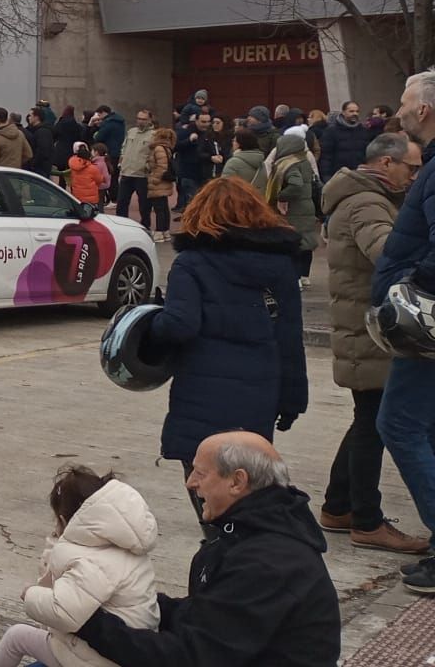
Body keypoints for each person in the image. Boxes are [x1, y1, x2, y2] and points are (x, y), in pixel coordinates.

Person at [74, 433, 339, 667]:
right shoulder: (246, 533)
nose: (190, 483)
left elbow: (192, 657)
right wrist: (127, 597)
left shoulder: (266, 563)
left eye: (200, 473)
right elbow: (207, 614)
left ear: (237, 482)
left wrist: (87, 622)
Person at [147, 176, 305, 527]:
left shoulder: (192, 263)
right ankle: (249, 551)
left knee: (205, 487)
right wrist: (293, 399)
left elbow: (179, 325)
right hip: (259, 394)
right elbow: (290, 336)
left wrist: (150, 324)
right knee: (247, 484)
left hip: (203, 394)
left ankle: (219, 553)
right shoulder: (280, 267)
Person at [317, 132, 429, 553]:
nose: (415, 177)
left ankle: (338, 506)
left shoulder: (367, 197)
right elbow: (387, 252)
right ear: (386, 164)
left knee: (366, 421)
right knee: (373, 427)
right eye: (410, 168)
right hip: (372, 333)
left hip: (364, 330)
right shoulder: (367, 202)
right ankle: (367, 520)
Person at [0, 466, 159, 667]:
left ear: (62, 520)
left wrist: (31, 595)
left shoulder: (91, 560)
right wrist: (60, 541)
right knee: (39, 640)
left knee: (17, 636)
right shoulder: (120, 541)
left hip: (102, 659)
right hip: (127, 650)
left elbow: (63, 613)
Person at [372, 68, 435, 591]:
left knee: (399, 425)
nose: (399, 110)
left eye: (404, 101)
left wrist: (409, 292)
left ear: (425, 111)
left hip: (427, 329)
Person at [264, 130, 321, 288]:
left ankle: (295, 278)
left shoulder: (290, 164)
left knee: (293, 244)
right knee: (306, 242)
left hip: (294, 210)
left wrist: (281, 196)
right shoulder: (304, 161)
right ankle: (304, 276)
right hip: (306, 207)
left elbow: (295, 184)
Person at [144, 126, 175, 242]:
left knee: (159, 208)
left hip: (158, 182)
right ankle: (165, 231)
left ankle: (159, 232)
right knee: (163, 207)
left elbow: (162, 166)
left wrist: (155, 179)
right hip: (164, 182)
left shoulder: (158, 149)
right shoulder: (167, 148)